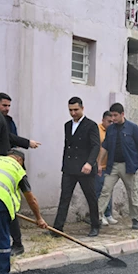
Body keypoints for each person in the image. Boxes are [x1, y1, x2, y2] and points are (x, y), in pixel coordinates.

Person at [0, 92, 41, 255]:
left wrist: (39, 218)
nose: (7, 109)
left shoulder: (8, 121)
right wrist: (27, 142)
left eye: (8, 106)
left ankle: (17, 243)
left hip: (9, 167)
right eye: (4, 105)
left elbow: (12, 140)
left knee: (9, 206)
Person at [53, 97, 101, 237]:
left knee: (91, 198)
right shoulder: (67, 125)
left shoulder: (91, 125)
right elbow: (67, 147)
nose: (73, 113)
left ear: (82, 108)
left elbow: (96, 146)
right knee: (64, 198)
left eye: (76, 110)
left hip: (84, 168)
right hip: (69, 168)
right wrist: (64, 165)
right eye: (70, 110)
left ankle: (95, 226)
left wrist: (89, 163)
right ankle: (57, 228)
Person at [97, 103, 138, 230]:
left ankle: (135, 219)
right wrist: (98, 163)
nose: (113, 118)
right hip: (112, 165)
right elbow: (105, 146)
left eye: (115, 115)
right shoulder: (111, 129)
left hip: (128, 166)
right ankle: (96, 217)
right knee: (105, 191)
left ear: (122, 114)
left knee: (132, 192)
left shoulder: (132, 128)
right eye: (111, 115)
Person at [96, 111, 116, 225]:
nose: (110, 124)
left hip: (108, 166)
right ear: (103, 120)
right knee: (100, 191)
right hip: (99, 166)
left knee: (109, 191)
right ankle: (100, 214)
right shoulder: (97, 130)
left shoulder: (112, 131)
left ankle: (108, 214)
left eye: (112, 122)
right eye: (109, 121)